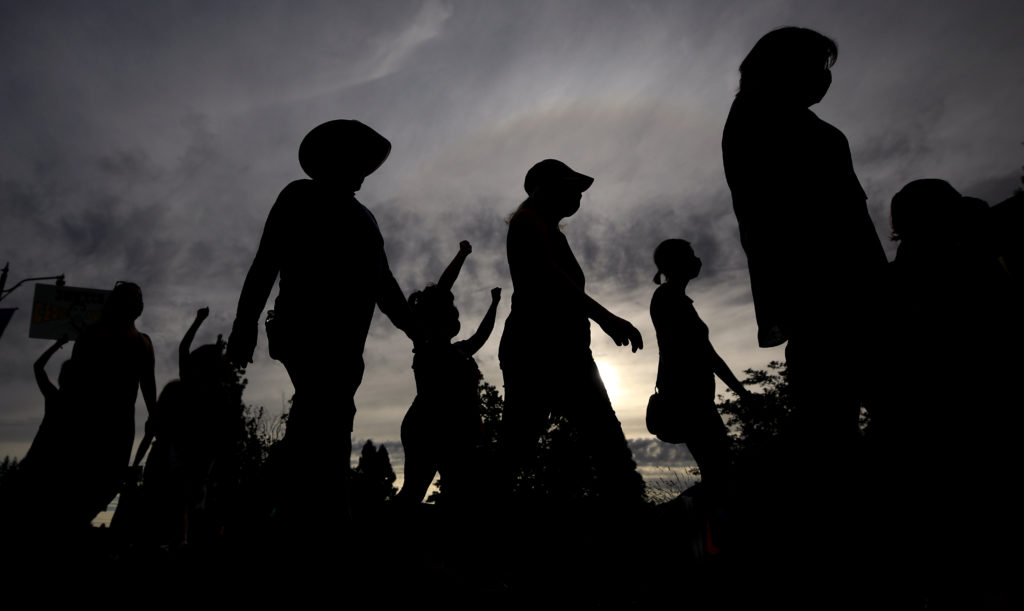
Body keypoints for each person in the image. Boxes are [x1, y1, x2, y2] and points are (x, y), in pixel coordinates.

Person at [226, 119, 415, 534]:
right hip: (306, 332)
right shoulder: (299, 196)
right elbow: (266, 262)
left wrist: (415, 328)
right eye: (358, 161)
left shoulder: (365, 219)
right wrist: (245, 324)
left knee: (328, 419)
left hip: (348, 344)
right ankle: (315, 521)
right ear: (335, 159)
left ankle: (302, 516)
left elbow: (383, 283)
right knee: (322, 416)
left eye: (368, 164)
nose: (364, 172)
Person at [721, 27, 886, 446]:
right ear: (784, 66)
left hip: (840, 299)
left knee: (836, 424)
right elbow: (794, 218)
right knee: (836, 428)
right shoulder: (763, 118)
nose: (825, 78)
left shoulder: (783, 116)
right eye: (817, 66)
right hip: (832, 298)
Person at [498, 159, 645, 507]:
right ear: (544, 188)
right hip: (541, 351)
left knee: (598, 443)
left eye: (579, 192)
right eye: (571, 188)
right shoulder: (527, 222)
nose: (578, 197)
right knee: (602, 444)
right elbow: (550, 279)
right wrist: (606, 318)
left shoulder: (547, 228)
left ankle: (630, 518)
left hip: (561, 350)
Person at [397, 240, 501, 506]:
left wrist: (494, 304)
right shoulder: (425, 345)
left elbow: (482, 335)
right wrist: (462, 254)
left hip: (453, 431)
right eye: (447, 314)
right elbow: (442, 289)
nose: (454, 319)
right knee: (414, 492)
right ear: (435, 318)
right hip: (427, 428)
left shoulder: (459, 351)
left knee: (460, 495)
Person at [649, 239, 750, 493]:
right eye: (691, 255)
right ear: (676, 263)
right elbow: (704, 354)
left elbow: (705, 354)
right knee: (720, 474)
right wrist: (742, 392)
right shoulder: (669, 298)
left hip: (694, 399)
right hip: (690, 401)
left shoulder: (676, 299)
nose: (697, 260)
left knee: (717, 472)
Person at [69, 281, 157, 523]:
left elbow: (148, 384)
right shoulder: (92, 335)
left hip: (119, 426)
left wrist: (155, 416)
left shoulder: (143, 342)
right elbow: (73, 379)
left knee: (108, 483)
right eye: (129, 297)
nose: (134, 303)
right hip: (86, 422)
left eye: (137, 298)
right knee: (82, 482)